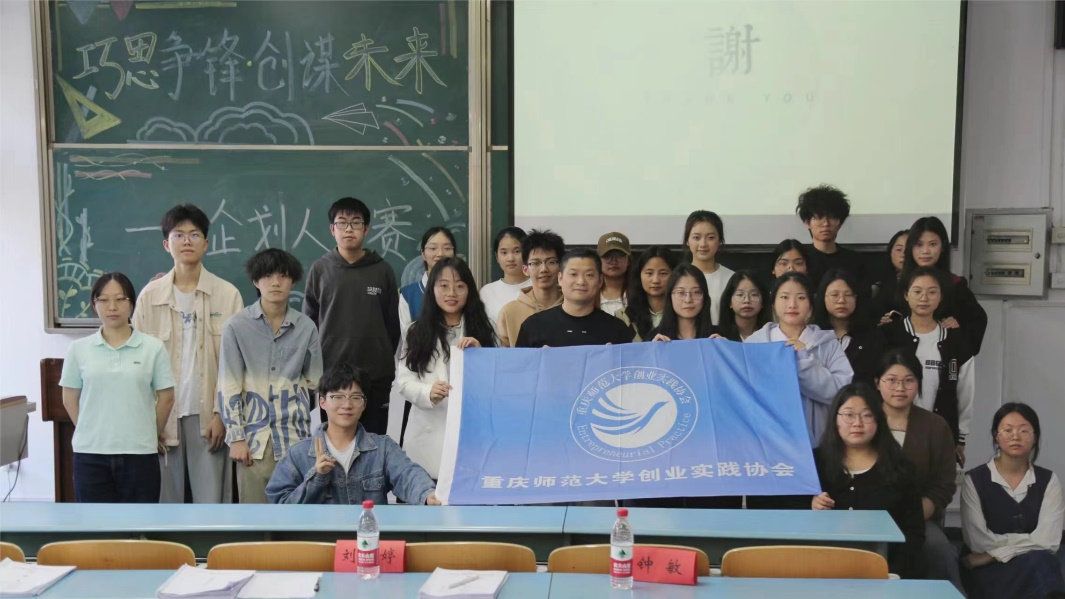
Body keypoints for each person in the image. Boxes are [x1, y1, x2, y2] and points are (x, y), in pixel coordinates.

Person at [133, 204, 243, 504]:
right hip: (161, 414)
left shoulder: (228, 295)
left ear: (206, 244)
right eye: (178, 235)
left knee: (212, 503)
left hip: (207, 416)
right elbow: (137, 364)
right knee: (163, 504)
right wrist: (148, 421)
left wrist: (222, 415)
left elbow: (235, 364)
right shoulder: (149, 297)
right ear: (166, 244)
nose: (186, 241)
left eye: (194, 234)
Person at [219, 249, 324, 504]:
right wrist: (237, 438)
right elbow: (228, 385)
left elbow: (316, 381)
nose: (276, 282)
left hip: (296, 438)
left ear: (293, 281)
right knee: (255, 518)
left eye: (283, 276)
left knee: (295, 516)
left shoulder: (306, 327)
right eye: (267, 276)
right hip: (254, 442)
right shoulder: (236, 326)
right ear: (256, 281)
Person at [61, 273, 175, 503]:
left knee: (139, 522)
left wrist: (148, 433)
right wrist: (90, 430)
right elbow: (69, 398)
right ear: (94, 305)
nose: (112, 307)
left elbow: (166, 398)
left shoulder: (153, 348)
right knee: (94, 522)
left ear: (131, 303)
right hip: (90, 454)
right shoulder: (78, 349)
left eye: (120, 299)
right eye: (103, 300)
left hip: (139, 453)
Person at [266, 365, 441, 505]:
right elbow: (279, 503)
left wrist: (427, 494)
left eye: (355, 397)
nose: (347, 405)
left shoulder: (383, 448)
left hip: (368, 537)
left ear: (364, 404)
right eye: (338, 397)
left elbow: (407, 474)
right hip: (321, 539)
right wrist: (317, 477)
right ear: (322, 402)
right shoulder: (299, 454)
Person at [303, 197, 400, 435]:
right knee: (335, 442)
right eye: (342, 223)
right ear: (332, 229)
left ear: (366, 229)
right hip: (331, 375)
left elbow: (392, 326)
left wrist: (379, 355)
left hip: (375, 377)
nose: (349, 229)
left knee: (374, 442)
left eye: (356, 223)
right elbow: (310, 325)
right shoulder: (320, 269)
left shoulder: (382, 270)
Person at [395, 258, 496, 479]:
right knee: (429, 491)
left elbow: (496, 383)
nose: (452, 293)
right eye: (443, 286)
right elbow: (404, 382)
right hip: (429, 432)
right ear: (432, 290)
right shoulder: (416, 332)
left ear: (469, 290)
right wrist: (427, 392)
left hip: (472, 433)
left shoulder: (484, 330)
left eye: (460, 286)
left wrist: (481, 356)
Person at [811, 383, 925, 579]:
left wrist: (891, 572)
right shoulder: (814, 464)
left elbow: (913, 532)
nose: (857, 423)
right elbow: (788, 517)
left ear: (878, 420)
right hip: (822, 569)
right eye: (849, 415)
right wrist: (810, 505)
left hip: (885, 571)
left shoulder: (900, 469)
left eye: (866, 415)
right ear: (835, 419)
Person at [875, 350, 963, 593]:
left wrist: (914, 514)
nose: (900, 388)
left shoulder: (935, 426)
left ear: (918, 383)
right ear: (877, 382)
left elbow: (944, 483)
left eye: (909, 380)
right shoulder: (865, 421)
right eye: (892, 380)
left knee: (938, 550)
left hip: (918, 516)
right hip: (867, 515)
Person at [961, 403, 1064, 599]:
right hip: (988, 571)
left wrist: (993, 554)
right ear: (996, 436)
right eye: (1008, 430)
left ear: (1035, 437)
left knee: (1041, 562)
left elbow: (1049, 541)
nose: (1015, 436)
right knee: (1042, 566)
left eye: (1024, 430)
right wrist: (1028, 542)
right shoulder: (974, 479)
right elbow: (978, 542)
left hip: (993, 560)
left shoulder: (1049, 480)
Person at [881, 266, 975, 465]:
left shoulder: (955, 339)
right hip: (892, 432)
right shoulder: (888, 335)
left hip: (940, 432)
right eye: (917, 291)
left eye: (932, 292)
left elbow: (965, 389)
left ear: (941, 297)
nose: (924, 298)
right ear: (906, 295)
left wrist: (961, 436)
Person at [745, 272, 853, 445]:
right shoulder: (755, 343)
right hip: (766, 441)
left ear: (810, 304)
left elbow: (841, 391)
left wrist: (804, 360)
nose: (792, 304)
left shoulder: (827, 343)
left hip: (816, 443)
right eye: (784, 297)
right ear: (773, 303)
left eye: (801, 298)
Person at [902, 216, 987, 354]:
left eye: (932, 244)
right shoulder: (898, 284)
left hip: (942, 358)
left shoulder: (955, 285)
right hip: (902, 361)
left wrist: (957, 325)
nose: (925, 251)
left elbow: (976, 321)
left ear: (942, 247)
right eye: (919, 244)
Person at [515, 248, 633, 348]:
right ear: (560, 278)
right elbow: (520, 367)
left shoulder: (617, 329)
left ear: (600, 281)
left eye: (589, 275)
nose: (581, 282)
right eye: (573, 274)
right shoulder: (534, 326)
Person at [813, 268, 883, 385]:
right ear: (822, 297)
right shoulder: (812, 334)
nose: (841, 300)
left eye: (848, 294)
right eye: (834, 295)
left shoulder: (872, 336)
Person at [496, 229, 565, 347]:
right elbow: (504, 355)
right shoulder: (509, 312)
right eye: (535, 263)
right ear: (525, 269)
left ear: (561, 266)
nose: (544, 269)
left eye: (551, 262)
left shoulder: (574, 306)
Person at [795, 185, 868, 291]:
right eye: (819, 218)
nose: (826, 224)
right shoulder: (800, 259)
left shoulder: (855, 260)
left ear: (840, 223)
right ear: (807, 222)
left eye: (832, 218)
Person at [399, 227, 457, 334]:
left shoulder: (462, 291)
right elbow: (406, 336)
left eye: (447, 248)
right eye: (433, 248)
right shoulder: (408, 295)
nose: (440, 254)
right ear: (423, 254)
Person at [617, 246, 678, 341]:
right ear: (639, 275)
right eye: (649, 273)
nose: (656, 280)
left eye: (663, 273)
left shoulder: (683, 313)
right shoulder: (624, 317)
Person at [683, 210, 733, 326]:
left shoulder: (732, 279)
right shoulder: (677, 278)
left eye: (710, 238)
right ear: (687, 240)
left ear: (720, 241)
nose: (703, 244)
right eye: (696, 237)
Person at [648, 264, 714, 341]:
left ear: (705, 296)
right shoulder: (655, 339)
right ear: (670, 296)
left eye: (696, 292)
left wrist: (723, 345)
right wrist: (653, 347)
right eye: (681, 292)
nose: (688, 300)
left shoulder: (717, 338)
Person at [480, 226, 529, 326]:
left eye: (517, 251)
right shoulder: (487, 292)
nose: (510, 258)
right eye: (504, 253)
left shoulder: (537, 285)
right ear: (497, 257)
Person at [714, 271, 769, 342]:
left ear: (763, 302)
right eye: (740, 295)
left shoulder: (771, 335)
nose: (747, 300)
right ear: (729, 302)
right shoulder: (717, 337)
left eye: (754, 294)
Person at [871, 230, 908, 326]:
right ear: (890, 252)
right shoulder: (878, 286)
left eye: (909, 249)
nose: (903, 254)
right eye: (898, 249)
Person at [597, 232, 630, 316]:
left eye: (619, 255)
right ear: (598, 260)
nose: (613, 261)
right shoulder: (589, 293)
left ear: (628, 260)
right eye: (607, 256)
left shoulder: (640, 294)